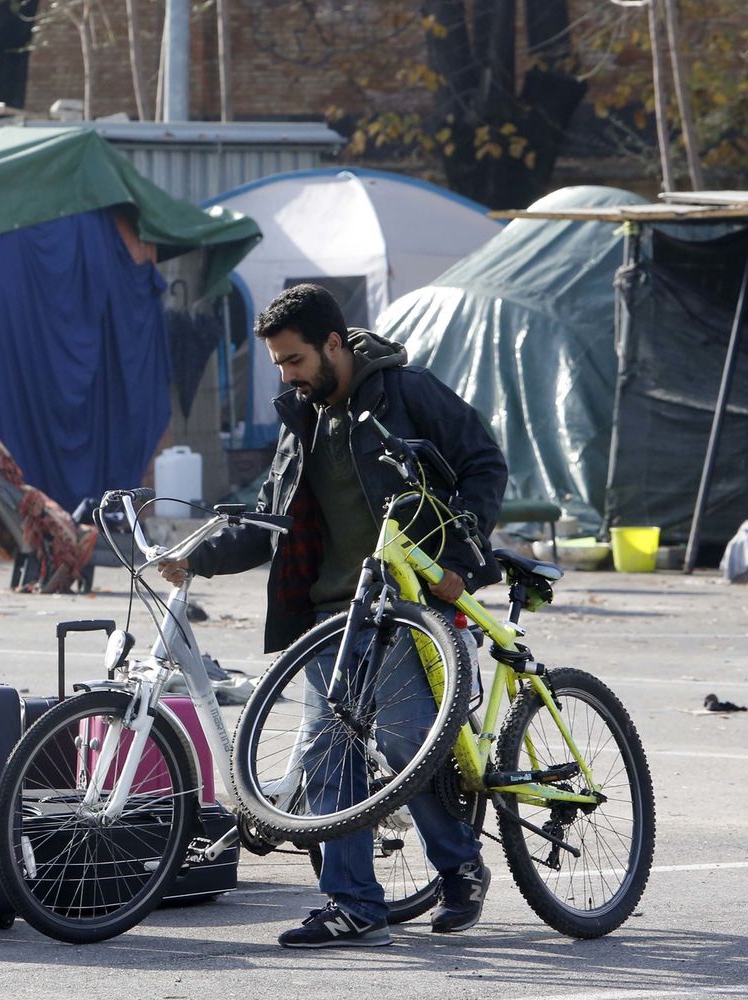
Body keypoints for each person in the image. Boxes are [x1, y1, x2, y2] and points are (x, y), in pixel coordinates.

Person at [160, 283, 507, 948]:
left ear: (333, 343)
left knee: (409, 742)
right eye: (279, 366)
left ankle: (459, 864)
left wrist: (461, 549)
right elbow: (270, 521)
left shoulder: (406, 393)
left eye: (295, 361)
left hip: (405, 607)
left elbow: (483, 464)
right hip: (330, 620)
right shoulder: (302, 420)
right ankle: (352, 903)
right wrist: (197, 556)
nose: (288, 377)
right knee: (331, 759)